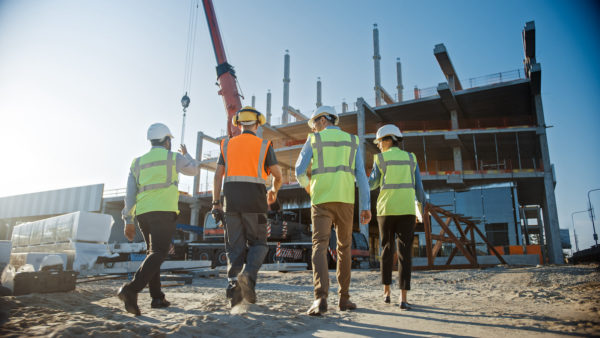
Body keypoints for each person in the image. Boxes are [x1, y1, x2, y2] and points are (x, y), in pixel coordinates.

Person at [118, 123, 201, 316]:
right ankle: (131, 290)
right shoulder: (174, 157)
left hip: (143, 214)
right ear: (167, 140)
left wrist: (127, 219)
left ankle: (157, 297)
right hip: (163, 212)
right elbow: (194, 170)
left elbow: (129, 195)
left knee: (152, 253)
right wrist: (187, 155)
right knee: (159, 252)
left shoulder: (137, 162)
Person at [295, 105, 371, 316]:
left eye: (314, 125)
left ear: (321, 121)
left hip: (321, 200)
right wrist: (365, 206)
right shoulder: (352, 141)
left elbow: (298, 170)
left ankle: (320, 299)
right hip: (346, 200)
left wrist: (308, 186)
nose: (314, 129)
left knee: (319, 246)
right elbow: (361, 177)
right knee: (344, 248)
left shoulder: (314, 140)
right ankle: (344, 299)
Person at [212, 106, 282, 307]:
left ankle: (235, 287)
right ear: (257, 124)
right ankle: (248, 276)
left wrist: (216, 203)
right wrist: (274, 191)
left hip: (231, 203)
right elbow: (278, 176)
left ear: (238, 124)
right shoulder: (264, 145)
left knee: (235, 247)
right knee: (259, 244)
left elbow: (218, 176)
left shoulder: (226, 144)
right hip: (256, 203)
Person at [368, 124, 426, 310]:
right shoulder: (411, 158)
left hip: (386, 211)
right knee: (404, 254)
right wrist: (420, 210)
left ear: (388, 139)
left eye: (379, 141)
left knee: (386, 250)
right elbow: (419, 188)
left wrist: (362, 175)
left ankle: (386, 293)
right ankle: (403, 298)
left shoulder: (380, 159)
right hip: (407, 210)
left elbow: (372, 184)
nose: (378, 145)